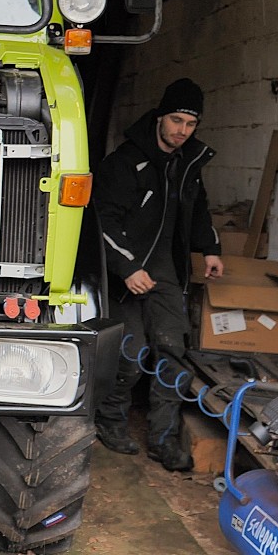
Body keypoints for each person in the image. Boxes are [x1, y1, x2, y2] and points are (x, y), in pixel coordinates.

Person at [92, 78, 225, 472]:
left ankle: (163, 440)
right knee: (130, 356)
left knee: (172, 353)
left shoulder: (188, 165)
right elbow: (101, 220)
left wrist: (211, 248)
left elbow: (198, 210)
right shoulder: (124, 163)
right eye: (176, 120)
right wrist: (127, 267)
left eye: (190, 124)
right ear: (160, 117)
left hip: (166, 272)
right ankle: (110, 421)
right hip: (125, 275)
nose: (182, 131)